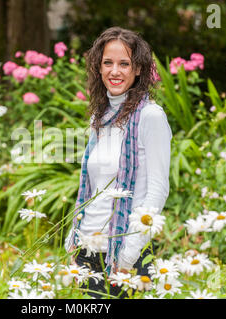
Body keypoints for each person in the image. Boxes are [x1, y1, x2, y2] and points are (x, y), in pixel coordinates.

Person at [64, 26, 172, 298]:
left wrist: (128, 254)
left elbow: (158, 189)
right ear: (98, 69)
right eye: (108, 63)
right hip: (88, 248)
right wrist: (73, 239)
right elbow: (90, 187)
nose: (115, 71)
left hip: (124, 254)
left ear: (138, 69)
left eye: (125, 63)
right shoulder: (99, 117)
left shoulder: (150, 116)